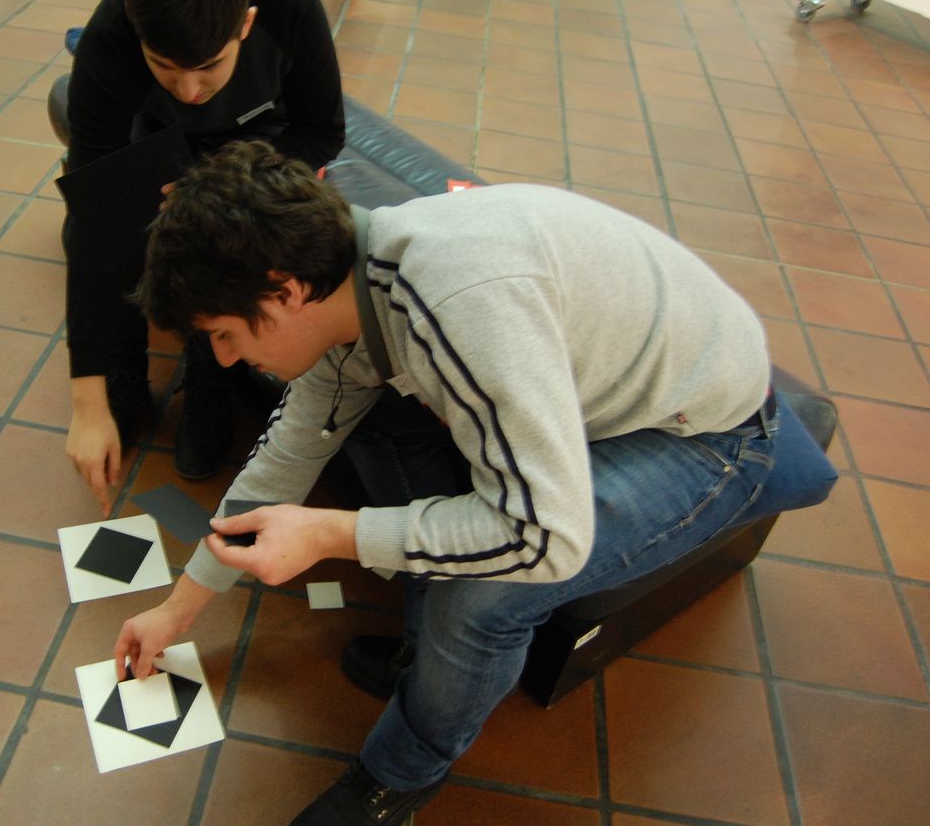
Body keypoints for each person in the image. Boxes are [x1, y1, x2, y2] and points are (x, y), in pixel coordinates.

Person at [113, 141, 835, 823]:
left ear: (287, 290)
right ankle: (427, 665)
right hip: (608, 389)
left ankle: (402, 771)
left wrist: (336, 534)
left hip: (709, 433)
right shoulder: (351, 279)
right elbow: (285, 460)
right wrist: (177, 611)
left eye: (224, 333)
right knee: (382, 440)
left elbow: (545, 537)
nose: (225, 359)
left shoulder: (453, 301)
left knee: (479, 599)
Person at [52, 0, 345, 514]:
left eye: (209, 65)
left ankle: (209, 373)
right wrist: (86, 398)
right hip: (152, 132)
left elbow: (323, 130)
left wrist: (220, 190)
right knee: (116, 218)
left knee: (232, 233)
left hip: (259, 137)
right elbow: (93, 214)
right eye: (165, 66)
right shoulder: (113, 28)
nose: (189, 90)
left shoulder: (287, 1)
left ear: (246, 25)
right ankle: (124, 366)